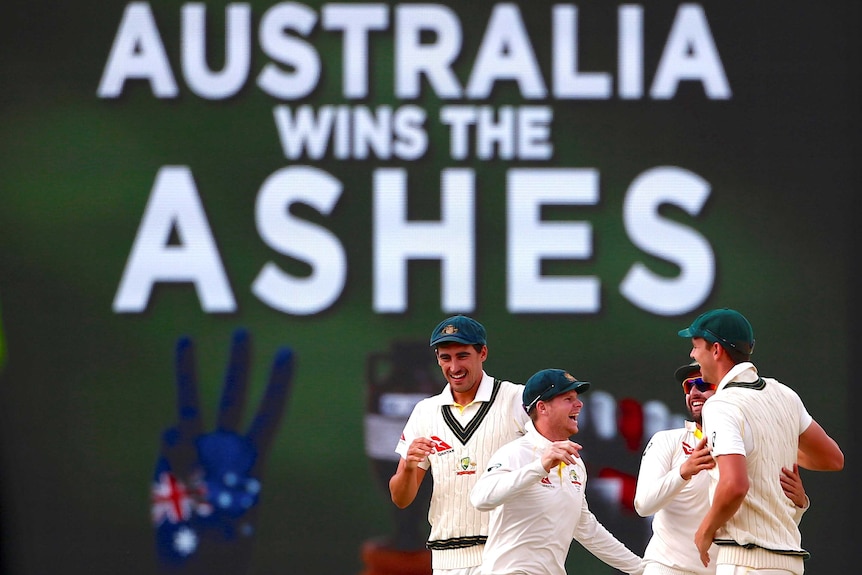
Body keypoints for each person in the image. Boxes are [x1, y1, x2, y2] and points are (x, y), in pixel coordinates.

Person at [677, 308, 844, 574]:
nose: (692, 355)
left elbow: (735, 485)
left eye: (696, 346)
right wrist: (777, 450)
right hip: (789, 563)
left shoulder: (720, 404)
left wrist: (705, 530)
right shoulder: (785, 394)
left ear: (717, 350)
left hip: (746, 561)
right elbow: (832, 457)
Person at [634, 362, 809, 575]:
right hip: (669, 567)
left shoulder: (748, 446)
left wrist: (799, 505)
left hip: (726, 567)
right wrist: (684, 471)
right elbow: (644, 505)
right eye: (689, 386)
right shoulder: (667, 440)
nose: (695, 392)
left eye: (704, 384)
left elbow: (766, 516)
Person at [389, 315, 531, 575]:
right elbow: (401, 498)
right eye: (446, 357)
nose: (454, 367)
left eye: (463, 355)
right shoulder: (425, 411)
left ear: (483, 352)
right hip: (447, 560)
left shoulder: (516, 398)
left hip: (509, 553)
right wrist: (409, 466)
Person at [470, 368, 645, 575]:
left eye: (576, 398)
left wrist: (641, 568)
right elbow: (481, 499)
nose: (579, 404)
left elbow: (586, 528)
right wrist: (540, 466)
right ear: (543, 407)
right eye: (568, 399)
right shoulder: (515, 453)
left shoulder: (574, 463)